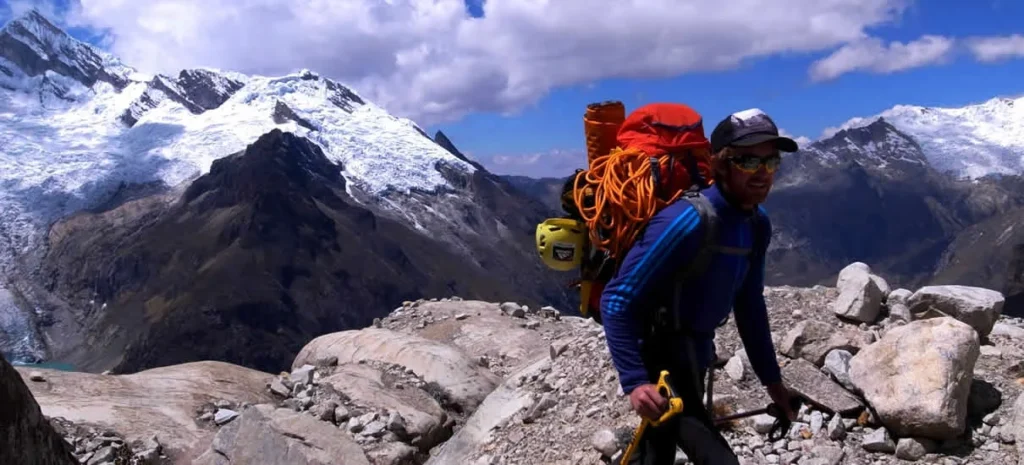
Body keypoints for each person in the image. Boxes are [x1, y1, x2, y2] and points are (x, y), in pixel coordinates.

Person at [600, 108, 799, 464]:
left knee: (656, 454)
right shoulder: (687, 220)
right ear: (720, 163)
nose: (763, 173)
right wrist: (635, 381)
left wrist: (773, 382)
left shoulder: (756, 224)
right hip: (659, 358)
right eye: (748, 161)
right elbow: (616, 299)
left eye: (771, 162)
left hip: (695, 352)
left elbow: (750, 306)